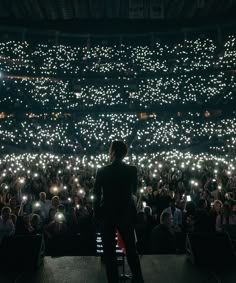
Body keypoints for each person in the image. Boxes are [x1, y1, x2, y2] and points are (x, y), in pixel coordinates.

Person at [94, 140, 144, 283]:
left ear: (113, 152)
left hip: (107, 215)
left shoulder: (102, 171)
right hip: (125, 214)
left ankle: (113, 281)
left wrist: (97, 213)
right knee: (131, 250)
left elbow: (96, 194)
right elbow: (133, 191)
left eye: (110, 150)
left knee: (109, 253)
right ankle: (138, 279)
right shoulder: (132, 170)